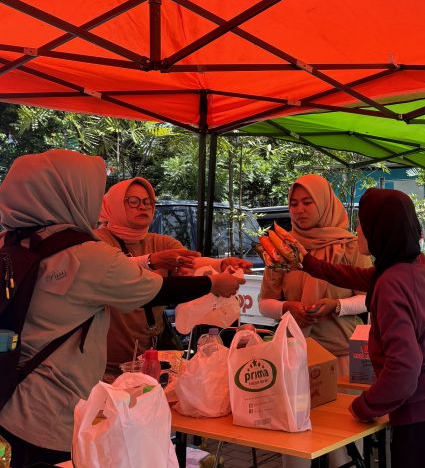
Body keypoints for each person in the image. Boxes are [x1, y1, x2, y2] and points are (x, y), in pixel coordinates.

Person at [0, 150, 244, 467]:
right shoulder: (85, 254)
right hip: (52, 411)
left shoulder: (10, 242)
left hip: (8, 395)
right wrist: (213, 285)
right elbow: (156, 289)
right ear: (68, 193)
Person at [296, 188, 425, 467]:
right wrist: (308, 263)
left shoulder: (392, 284)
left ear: (380, 230)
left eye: (363, 223)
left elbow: (405, 368)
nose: (357, 229)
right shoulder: (413, 265)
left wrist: (365, 405)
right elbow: (360, 276)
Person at [97, 177, 252, 380]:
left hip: (150, 363)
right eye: (133, 201)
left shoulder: (161, 242)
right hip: (103, 369)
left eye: (148, 202)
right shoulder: (98, 241)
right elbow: (115, 271)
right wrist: (152, 261)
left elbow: (191, 262)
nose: (142, 207)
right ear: (113, 205)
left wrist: (221, 265)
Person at [259, 174, 371, 379]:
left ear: (324, 203)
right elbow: (265, 303)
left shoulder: (350, 246)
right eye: (293, 204)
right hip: (294, 353)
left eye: (307, 202)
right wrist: (287, 307)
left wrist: (336, 305)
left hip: (341, 354)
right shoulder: (284, 248)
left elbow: (369, 298)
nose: (299, 209)